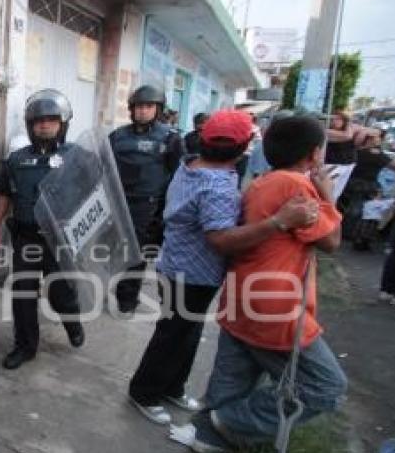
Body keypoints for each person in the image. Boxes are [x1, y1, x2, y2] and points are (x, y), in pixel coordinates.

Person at [127, 110, 318, 425]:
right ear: (243, 147)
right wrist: (279, 222)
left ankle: (171, 386)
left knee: (188, 332)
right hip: (190, 274)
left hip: (180, 266)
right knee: (172, 334)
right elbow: (221, 240)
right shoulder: (215, 184)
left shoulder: (190, 165)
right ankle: (144, 392)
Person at [189, 115, 348, 453]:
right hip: (276, 306)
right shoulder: (296, 187)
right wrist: (328, 196)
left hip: (244, 297)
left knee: (232, 380)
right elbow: (331, 242)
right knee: (325, 385)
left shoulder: (260, 182)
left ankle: (211, 434)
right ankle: (233, 422)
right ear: (315, 154)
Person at [0, 89, 86, 370]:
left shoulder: (77, 156)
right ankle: (25, 347)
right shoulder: (16, 160)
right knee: (23, 295)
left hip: (61, 241)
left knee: (61, 293)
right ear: (30, 125)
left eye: (51, 120)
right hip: (26, 239)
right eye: (38, 121)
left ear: (62, 123)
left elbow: (94, 191)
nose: (44, 125)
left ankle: (72, 321)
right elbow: (4, 195)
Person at [108, 85, 184, 312]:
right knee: (113, 251)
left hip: (148, 207)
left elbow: (178, 177)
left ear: (158, 109)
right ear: (131, 109)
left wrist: (166, 211)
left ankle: (127, 299)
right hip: (117, 202)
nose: (142, 111)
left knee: (136, 254)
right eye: (138, 106)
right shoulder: (117, 136)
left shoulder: (170, 139)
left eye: (148, 106)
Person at [340, 128, 395, 239]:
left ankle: (348, 230)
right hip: (364, 185)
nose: (380, 140)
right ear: (371, 140)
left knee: (354, 206)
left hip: (348, 183)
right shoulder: (375, 154)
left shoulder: (355, 150)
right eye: (378, 137)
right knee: (363, 206)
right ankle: (357, 232)